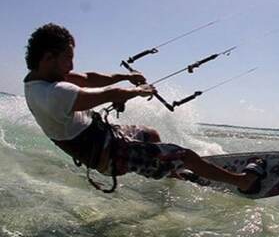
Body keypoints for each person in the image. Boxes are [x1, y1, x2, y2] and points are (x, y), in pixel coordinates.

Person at [23, 23, 263, 193]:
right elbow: (108, 94)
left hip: (107, 139)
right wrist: (139, 91)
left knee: (150, 134)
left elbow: (87, 77)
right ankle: (243, 182)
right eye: (67, 58)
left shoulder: (41, 78)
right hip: (111, 157)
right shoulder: (51, 94)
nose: (71, 65)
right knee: (185, 155)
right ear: (48, 57)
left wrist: (125, 77)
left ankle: (173, 173)